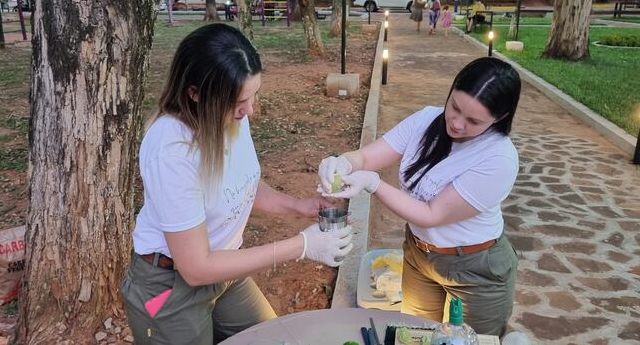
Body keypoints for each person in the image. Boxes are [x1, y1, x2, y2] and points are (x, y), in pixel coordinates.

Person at [120, 23, 354, 345]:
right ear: (195, 94)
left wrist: (297, 206)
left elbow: (244, 186)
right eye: (239, 102)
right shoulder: (170, 150)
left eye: (253, 95)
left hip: (225, 270)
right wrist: (302, 246)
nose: (250, 110)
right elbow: (196, 268)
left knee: (274, 339)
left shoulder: (230, 115)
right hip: (169, 286)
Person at [317, 58, 521, 336]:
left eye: (473, 120)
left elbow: (431, 214)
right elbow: (366, 156)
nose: (457, 124)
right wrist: (342, 163)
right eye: (455, 107)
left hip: (476, 268)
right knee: (417, 335)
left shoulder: (499, 158)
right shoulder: (426, 120)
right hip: (419, 255)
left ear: (500, 117)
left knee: (474, 340)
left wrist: (374, 183)